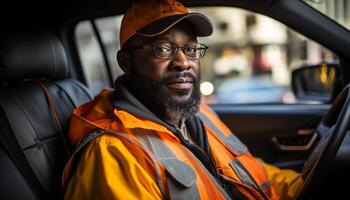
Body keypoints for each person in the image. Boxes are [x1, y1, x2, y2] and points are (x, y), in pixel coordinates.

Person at [62, 0, 303, 199]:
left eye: (190, 49)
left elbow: (255, 175)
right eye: (163, 49)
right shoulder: (114, 154)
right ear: (125, 62)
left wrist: (305, 184)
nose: (184, 62)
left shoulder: (199, 114)